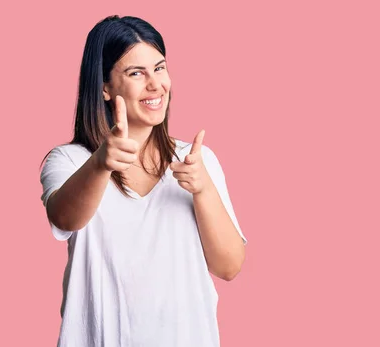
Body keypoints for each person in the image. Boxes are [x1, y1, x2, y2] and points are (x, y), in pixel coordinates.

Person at [39, 15, 247, 347]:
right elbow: (64, 217)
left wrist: (204, 189)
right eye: (136, 73)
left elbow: (229, 266)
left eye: (160, 68)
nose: (155, 84)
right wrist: (100, 164)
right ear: (105, 87)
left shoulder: (198, 160)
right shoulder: (69, 161)